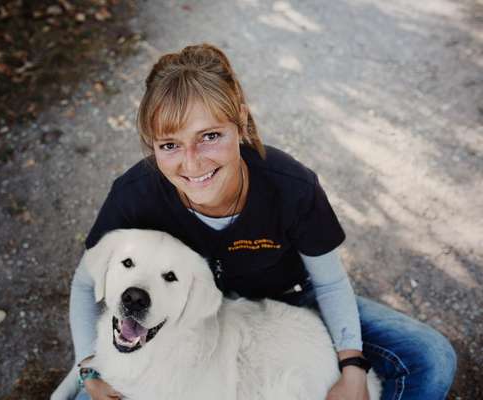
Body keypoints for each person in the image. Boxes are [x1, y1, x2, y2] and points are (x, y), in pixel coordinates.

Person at [55, 44, 457, 400]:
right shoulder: (135, 193)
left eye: (209, 136)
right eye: (170, 145)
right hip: (182, 315)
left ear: (241, 123)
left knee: (431, 359)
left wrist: (352, 365)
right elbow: (85, 284)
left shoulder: (292, 187)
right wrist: (89, 366)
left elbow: (331, 281)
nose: (192, 162)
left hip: (290, 299)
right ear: (153, 147)